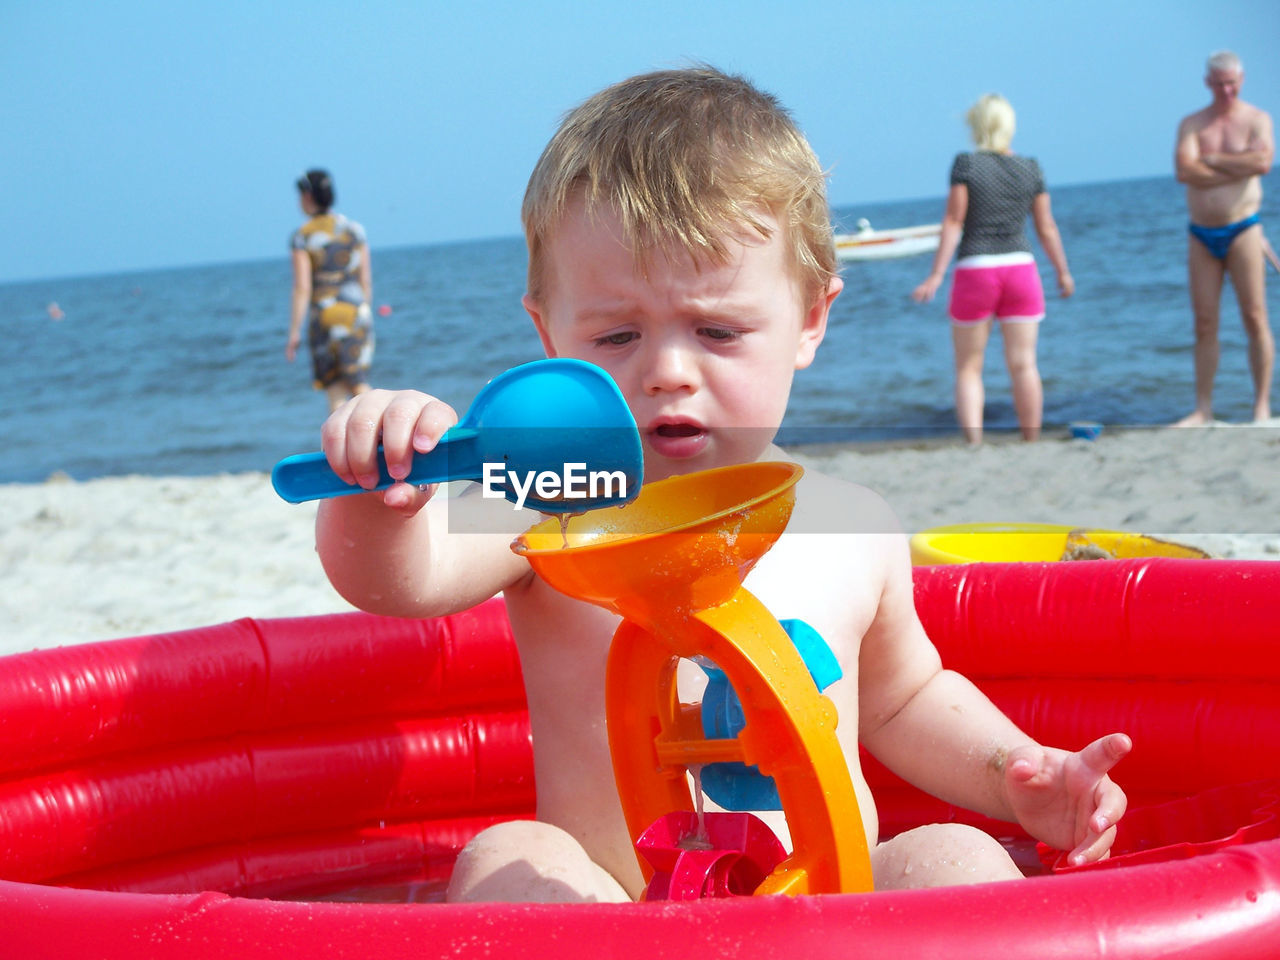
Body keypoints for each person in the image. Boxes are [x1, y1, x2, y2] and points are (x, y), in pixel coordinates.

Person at [312, 67, 1129, 903]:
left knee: (960, 858)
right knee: (509, 854)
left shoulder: (853, 524)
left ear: (810, 321)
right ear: (548, 335)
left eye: (717, 330)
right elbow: (395, 582)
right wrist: (380, 494)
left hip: (830, 910)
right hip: (616, 915)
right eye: (618, 334)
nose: (668, 370)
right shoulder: (548, 502)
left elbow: (905, 700)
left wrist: (1017, 774)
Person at [912, 94, 1073, 445]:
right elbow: (1046, 227)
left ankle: (974, 444)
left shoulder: (966, 164)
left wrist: (936, 275)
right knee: (1024, 364)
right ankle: (1030, 440)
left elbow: (954, 221)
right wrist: (1062, 271)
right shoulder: (1031, 167)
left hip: (976, 269)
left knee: (969, 367)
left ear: (976, 125)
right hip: (1021, 269)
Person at [1173, 50, 1275, 426]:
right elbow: (1184, 170)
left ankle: (1261, 405)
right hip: (1201, 232)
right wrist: (1237, 165)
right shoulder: (1193, 123)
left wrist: (1212, 160)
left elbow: (1263, 162)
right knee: (1204, 321)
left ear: (1242, 80)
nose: (1226, 91)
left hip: (1244, 227)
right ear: (1207, 83)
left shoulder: (1257, 119)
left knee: (1254, 315)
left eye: (1232, 83)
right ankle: (1203, 408)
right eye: (1219, 84)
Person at [287, 169, 375, 413]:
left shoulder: (302, 237)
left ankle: (341, 449)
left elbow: (302, 287)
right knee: (359, 384)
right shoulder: (355, 230)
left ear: (307, 196)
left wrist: (294, 331)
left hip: (324, 317)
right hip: (356, 312)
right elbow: (365, 280)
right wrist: (364, 311)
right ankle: (378, 439)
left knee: (335, 389)